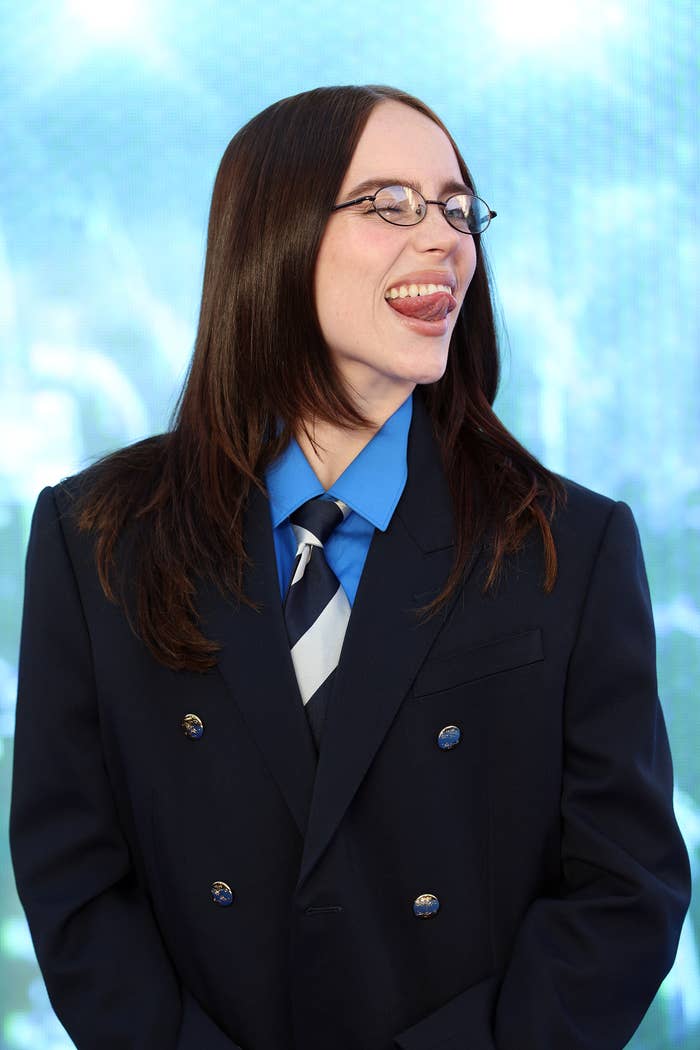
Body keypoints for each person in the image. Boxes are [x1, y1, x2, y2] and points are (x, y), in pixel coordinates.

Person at [9, 84, 690, 1050]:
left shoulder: (568, 545)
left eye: (458, 208)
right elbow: (71, 872)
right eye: (392, 204)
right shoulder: (98, 537)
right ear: (274, 235)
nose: (446, 238)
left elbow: (626, 890)